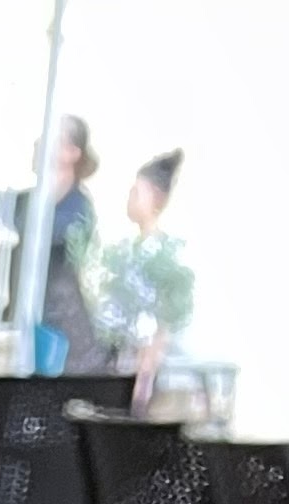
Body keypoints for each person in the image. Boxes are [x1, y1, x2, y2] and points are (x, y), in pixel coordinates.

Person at [92, 150, 195, 405]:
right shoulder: (129, 252)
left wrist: (145, 379)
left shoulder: (164, 256)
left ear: (157, 199)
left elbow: (162, 325)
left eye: (137, 192)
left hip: (155, 373)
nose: (130, 198)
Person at [41, 114, 108, 371]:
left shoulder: (78, 208)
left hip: (67, 342)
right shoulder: (31, 202)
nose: (41, 142)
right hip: (38, 328)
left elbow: (55, 242)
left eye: (53, 138)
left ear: (72, 153)